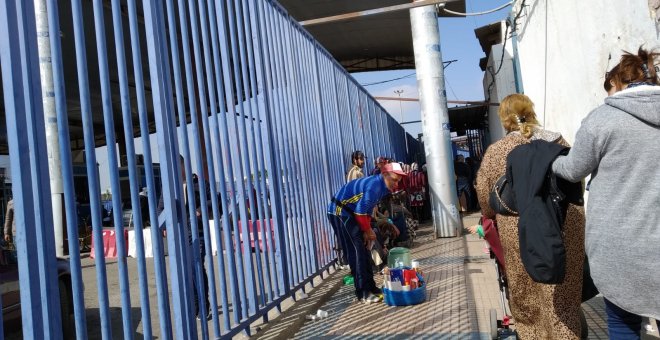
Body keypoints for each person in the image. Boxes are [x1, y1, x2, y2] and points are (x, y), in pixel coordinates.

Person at [552, 47, 660, 339]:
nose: (607, 95)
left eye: (608, 88)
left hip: (621, 246)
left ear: (618, 82)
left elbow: (574, 169)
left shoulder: (604, 119)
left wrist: (554, 161)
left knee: (623, 324)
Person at [475, 93, 586, 339]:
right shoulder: (558, 141)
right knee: (564, 302)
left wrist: (488, 214)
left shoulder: (497, 151)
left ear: (505, 120)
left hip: (520, 229)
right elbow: (576, 178)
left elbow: (484, 195)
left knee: (527, 301)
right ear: (532, 112)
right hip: (565, 224)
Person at [327, 162, 407, 303]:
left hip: (353, 212)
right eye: (394, 180)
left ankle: (371, 287)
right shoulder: (374, 186)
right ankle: (362, 292)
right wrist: (368, 230)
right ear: (384, 174)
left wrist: (367, 230)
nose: (396, 185)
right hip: (339, 211)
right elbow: (360, 210)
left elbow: (368, 209)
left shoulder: (384, 187)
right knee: (356, 251)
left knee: (365, 249)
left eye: (398, 182)